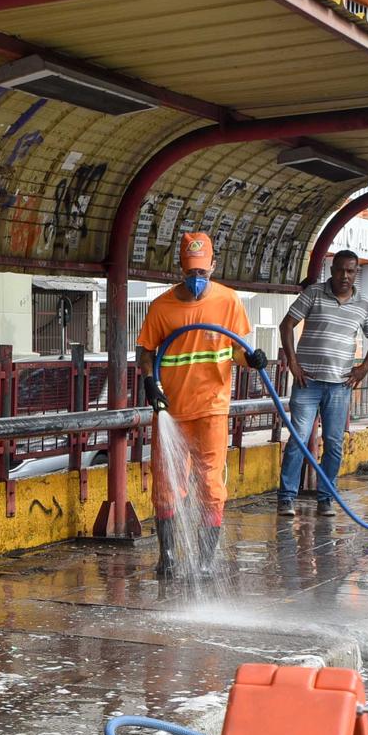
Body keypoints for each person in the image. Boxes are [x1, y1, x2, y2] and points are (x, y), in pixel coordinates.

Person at [135, 231, 258, 577]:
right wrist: (149, 381)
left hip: (212, 407)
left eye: (202, 272)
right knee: (167, 484)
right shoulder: (162, 307)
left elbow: (237, 348)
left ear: (213, 267)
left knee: (211, 485)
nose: (197, 279)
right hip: (171, 409)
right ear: (180, 269)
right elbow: (146, 351)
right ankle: (168, 557)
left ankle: (204, 561)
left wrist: (253, 360)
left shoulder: (228, 301)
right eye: (191, 273)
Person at [276, 248, 368, 516]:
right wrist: (293, 361)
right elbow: (286, 325)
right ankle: (286, 497)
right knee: (299, 440)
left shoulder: (364, 305)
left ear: (356, 272)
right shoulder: (313, 293)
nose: (344, 276)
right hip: (308, 382)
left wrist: (363, 369)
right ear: (332, 270)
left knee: (334, 443)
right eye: (340, 270)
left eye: (350, 271)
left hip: (340, 385)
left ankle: (326, 498)